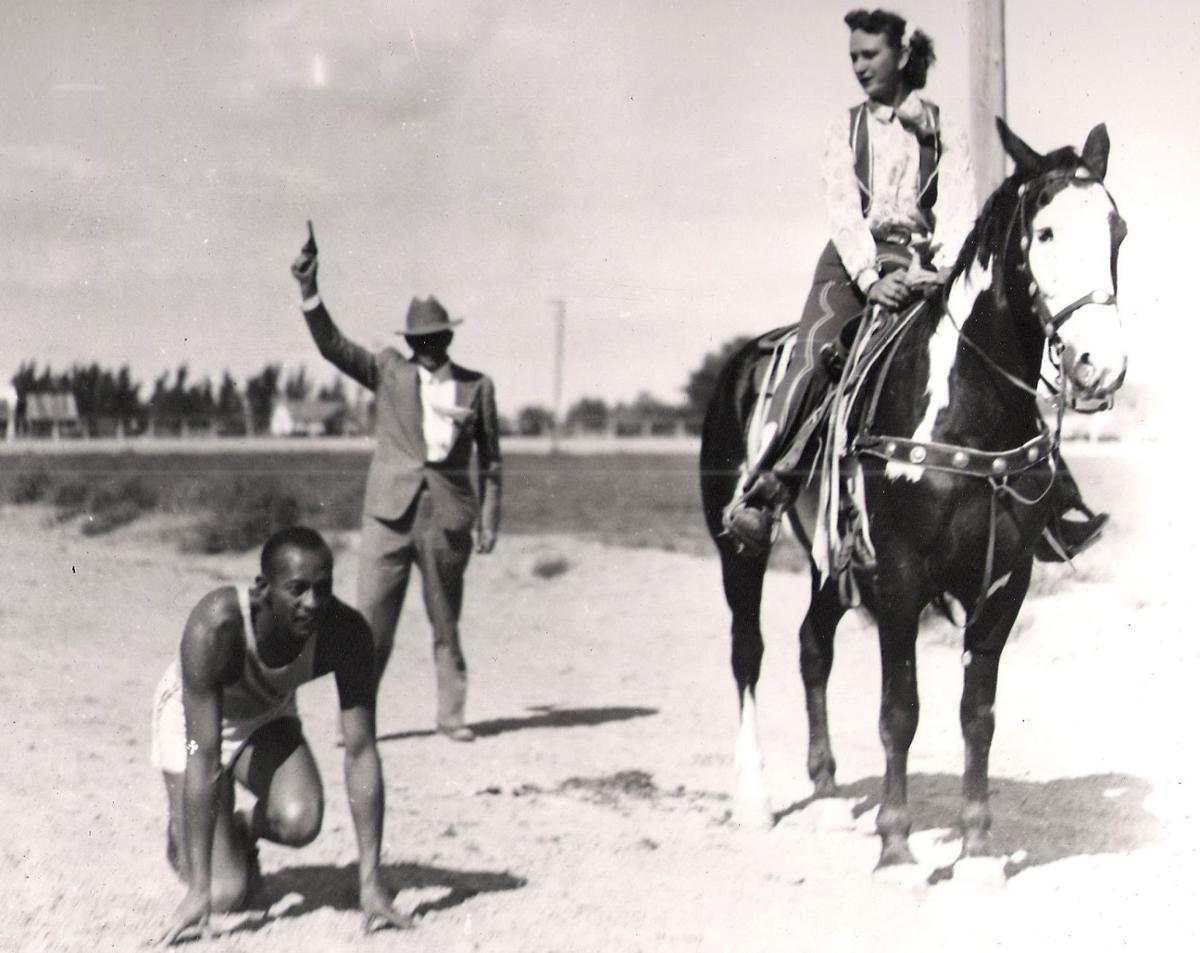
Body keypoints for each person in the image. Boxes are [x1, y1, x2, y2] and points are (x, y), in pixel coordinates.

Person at [729, 7, 1106, 560]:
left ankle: (1052, 509)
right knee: (814, 359)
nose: (859, 66)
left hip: (928, 265)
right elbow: (843, 212)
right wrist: (870, 278)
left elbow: (955, 206)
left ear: (902, 55)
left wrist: (943, 270)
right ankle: (767, 491)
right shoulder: (845, 128)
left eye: (870, 55)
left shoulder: (944, 127)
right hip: (853, 266)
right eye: (854, 57)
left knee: (994, 356)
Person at [152, 526, 413, 944]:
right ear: (263, 589)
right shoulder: (216, 625)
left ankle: (236, 827)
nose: (312, 603)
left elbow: (361, 751)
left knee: (301, 820)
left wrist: (370, 882)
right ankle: (183, 835)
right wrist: (197, 891)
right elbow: (204, 756)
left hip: (264, 713)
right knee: (224, 895)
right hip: (191, 723)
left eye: (323, 588)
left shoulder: (347, 632)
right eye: (297, 589)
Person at [291, 226, 501, 742]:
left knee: (446, 623)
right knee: (368, 626)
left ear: (449, 338)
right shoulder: (387, 371)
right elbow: (333, 346)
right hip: (388, 516)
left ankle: (452, 716)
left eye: (435, 338)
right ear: (408, 343)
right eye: (417, 340)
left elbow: (492, 462)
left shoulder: (477, 387)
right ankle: (355, 721)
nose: (426, 347)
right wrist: (309, 290)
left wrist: (489, 520)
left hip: (447, 520)